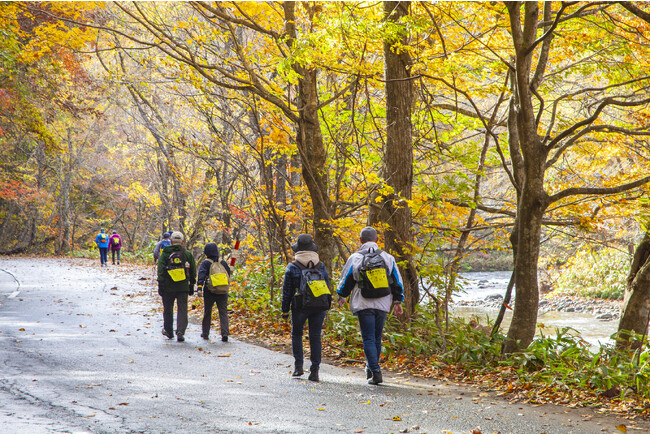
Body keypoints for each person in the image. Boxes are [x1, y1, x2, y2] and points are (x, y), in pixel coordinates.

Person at [336, 227, 404, 385]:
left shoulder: (355, 258)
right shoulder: (388, 257)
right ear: (377, 240)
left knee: (368, 338)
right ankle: (371, 367)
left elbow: (347, 280)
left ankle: (375, 370)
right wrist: (397, 302)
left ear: (360, 240)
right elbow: (397, 280)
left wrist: (342, 296)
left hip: (363, 302)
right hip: (383, 302)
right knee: (377, 338)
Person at [281, 234, 331, 382]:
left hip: (299, 306)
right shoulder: (320, 265)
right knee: (315, 336)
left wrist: (284, 310)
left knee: (297, 334)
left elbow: (287, 291)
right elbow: (327, 286)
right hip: (319, 306)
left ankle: (298, 367)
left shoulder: (292, 266)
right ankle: (315, 371)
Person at [157, 231, 196, 342]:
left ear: (171, 241)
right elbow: (193, 270)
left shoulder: (165, 254)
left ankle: (169, 331)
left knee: (168, 309)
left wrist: (160, 284)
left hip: (168, 286)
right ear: (182, 241)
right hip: (183, 286)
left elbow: (160, 270)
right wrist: (192, 284)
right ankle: (180, 331)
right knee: (182, 309)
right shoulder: (187, 254)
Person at [197, 243, 231, 342]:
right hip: (223, 291)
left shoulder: (205, 263)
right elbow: (228, 274)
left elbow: (201, 275)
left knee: (208, 311)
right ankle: (225, 333)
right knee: (223, 312)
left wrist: (199, 287)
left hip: (209, 291)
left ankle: (205, 333)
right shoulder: (223, 263)